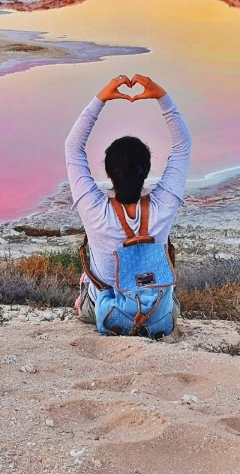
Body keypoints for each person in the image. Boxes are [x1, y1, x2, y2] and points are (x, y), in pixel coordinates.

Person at [64, 73, 192, 327]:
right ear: (147, 171)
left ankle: (88, 304)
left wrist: (101, 98)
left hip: (107, 312)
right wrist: (162, 97)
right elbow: (182, 144)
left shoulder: (94, 210)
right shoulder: (164, 204)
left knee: (89, 283)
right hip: (158, 312)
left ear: (109, 173)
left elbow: (72, 147)